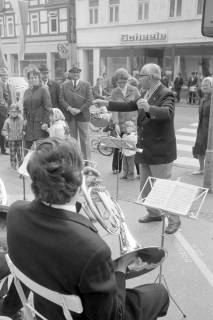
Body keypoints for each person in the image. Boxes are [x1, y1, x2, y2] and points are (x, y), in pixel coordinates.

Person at [1, 137, 169, 320]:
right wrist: (120, 267)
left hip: (46, 305)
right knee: (159, 292)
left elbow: (57, 216)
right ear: (76, 179)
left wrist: (75, 185)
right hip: (83, 315)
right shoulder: (94, 251)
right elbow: (113, 316)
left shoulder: (16, 212)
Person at [94, 63, 181, 234]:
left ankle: (174, 219)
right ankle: (154, 213)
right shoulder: (145, 92)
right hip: (146, 148)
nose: (138, 78)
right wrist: (106, 103)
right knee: (145, 186)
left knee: (163, 187)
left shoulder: (166, 93)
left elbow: (167, 113)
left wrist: (149, 108)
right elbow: (129, 105)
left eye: (141, 75)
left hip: (161, 150)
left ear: (150, 77)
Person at [60, 65, 93, 161]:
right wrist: (69, 108)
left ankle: (87, 161)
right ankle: (75, 160)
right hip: (70, 116)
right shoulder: (64, 85)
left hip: (83, 116)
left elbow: (90, 100)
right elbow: (61, 99)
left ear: (79, 74)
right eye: (73, 73)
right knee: (72, 139)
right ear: (70, 74)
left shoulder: (86, 85)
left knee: (85, 139)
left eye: (77, 73)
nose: (75, 74)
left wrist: (79, 110)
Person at [110, 68, 140, 174]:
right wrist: (115, 123)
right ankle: (116, 168)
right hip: (121, 123)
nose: (121, 84)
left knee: (134, 145)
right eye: (119, 82)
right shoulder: (114, 92)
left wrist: (140, 121)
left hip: (133, 123)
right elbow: (114, 108)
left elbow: (139, 105)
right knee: (119, 145)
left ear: (127, 80)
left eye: (124, 82)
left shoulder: (134, 90)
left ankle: (139, 170)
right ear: (116, 81)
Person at [23, 67, 52, 151]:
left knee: (41, 150)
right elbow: (24, 108)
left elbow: (48, 108)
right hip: (29, 125)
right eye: (31, 78)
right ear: (28, 79)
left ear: (39, 78)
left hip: (40, 124)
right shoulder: (27, 91)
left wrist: (46, 122)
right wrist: (24, 119)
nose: (33, 79)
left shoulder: (44, 89)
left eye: (35, 77)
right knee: (27, 150)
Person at [192, 77, 213, 175]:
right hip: (202, 128)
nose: (204, 87)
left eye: (207, 85)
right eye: (203, 85)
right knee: (200, 148)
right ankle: (202, 169)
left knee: (209, 149)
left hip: (210, 129)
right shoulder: (204, 98)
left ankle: (209, 170)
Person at [1, 104, 23, 170]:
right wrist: (6, 135)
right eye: (12, 112)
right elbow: (4, 130)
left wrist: (24, 132)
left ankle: (21, 165)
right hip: (11, 140)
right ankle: (13, 165)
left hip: (19, 139)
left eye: (15, 111)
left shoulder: (21, 119)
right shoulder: (7, 121)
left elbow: (24, 127)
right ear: (10, 112)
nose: (14, 113)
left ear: (18, 112)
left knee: (20, 153)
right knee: (12, 153)